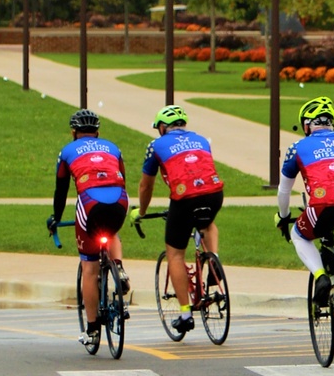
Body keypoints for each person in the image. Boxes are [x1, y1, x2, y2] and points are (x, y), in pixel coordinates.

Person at [129, 104, 224, 338]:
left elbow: (146, 185)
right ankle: (214, 263)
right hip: (214, 194)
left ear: (162, 127)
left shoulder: (156, 145)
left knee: (175, 254)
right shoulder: (202, 140)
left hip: (184, 198)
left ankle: (185, 315)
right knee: (207, 224)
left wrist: (141, 211)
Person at [274, 96, 334, 312]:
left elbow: (284, 190)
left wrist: (283, 215)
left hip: (323, 206)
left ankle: (320, 276)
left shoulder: (297, 147)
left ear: (307, 125)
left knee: (298, 235)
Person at [47, 108, 130, 349]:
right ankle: (120, 269)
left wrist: (56, 218)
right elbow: (122, 176)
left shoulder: (67, 151)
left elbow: (60, 191)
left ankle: (93, 329)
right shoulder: (113, 147)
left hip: (90, 202)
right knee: (112, 232)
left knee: (90, 268)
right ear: (98, 132)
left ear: (74, 132)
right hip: (119, 200)